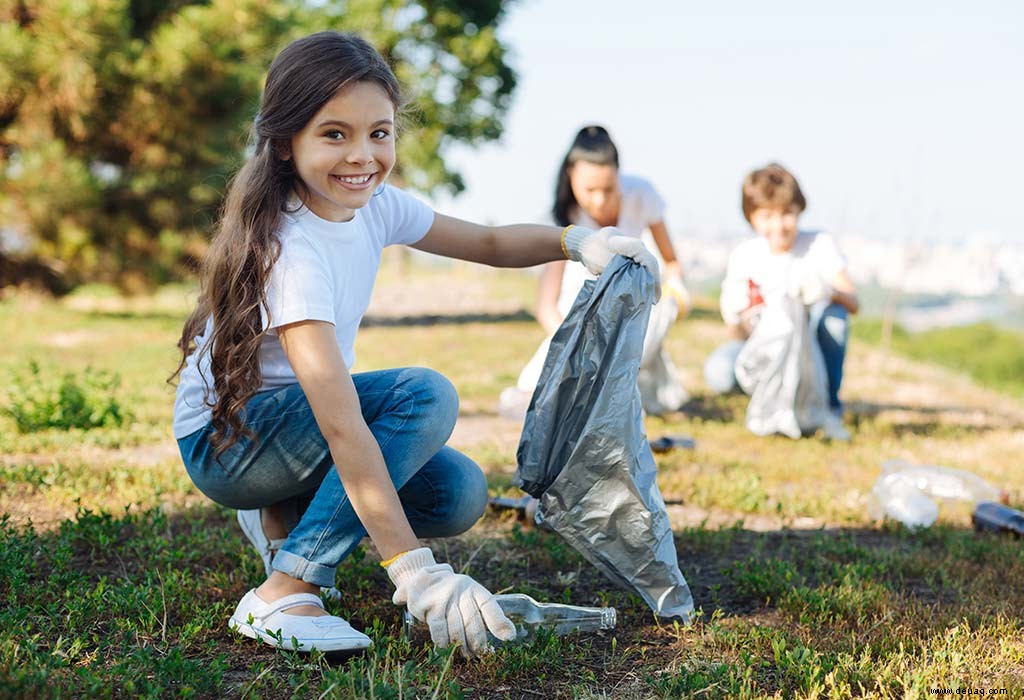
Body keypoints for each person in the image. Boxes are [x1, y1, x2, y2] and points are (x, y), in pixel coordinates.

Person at [170, 32, 660, 659]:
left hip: (290, 432)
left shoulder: (374, 207)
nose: (362, 155)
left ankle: (285, 514)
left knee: (457, 492)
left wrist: (576, 243)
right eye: (334, 133)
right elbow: (343, 425)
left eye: (379, 132)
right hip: (228, 445)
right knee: (423, 396)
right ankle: (285, 587)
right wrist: (414, 571)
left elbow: (485, 244)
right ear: (287, 143)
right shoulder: (289, 251)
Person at [503, 126, 690, 417]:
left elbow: (671, 262)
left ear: (618, 176)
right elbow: (546, 306)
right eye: (590, 190)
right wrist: (579, 343)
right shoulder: (563, 219)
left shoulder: (641, 193)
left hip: (634, 318)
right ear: (570, 177)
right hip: (580, 323)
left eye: (608, 189)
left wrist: (676, 292)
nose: (600, 200)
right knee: (532, 393)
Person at [703, 163, 859, 417]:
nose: (779, 225)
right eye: (767, 216)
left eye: (787, 213)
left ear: (799, 209)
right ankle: (770, 395)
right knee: (719, 372)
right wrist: (735, 314)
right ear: (752, 218)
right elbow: (737, 335)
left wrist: (829, 291)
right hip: (763, 350)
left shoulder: (818, 244)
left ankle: (828, 403)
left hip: (810, 349)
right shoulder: (745, 256)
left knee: (835, 319)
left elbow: (854, 302)